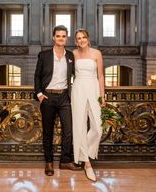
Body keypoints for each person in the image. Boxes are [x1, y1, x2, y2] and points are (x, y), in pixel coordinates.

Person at [34, 25, 82, 176]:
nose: (61, 38)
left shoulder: (70, 56)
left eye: (63, 36)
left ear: (66, 38)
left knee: (68, 130)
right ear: (53, 38)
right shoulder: (44, 55)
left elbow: (77, 74)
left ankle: (65, 161)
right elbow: (37, 76)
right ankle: (49, 163)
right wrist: (40, 94)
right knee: (48, 132)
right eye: (58, 36)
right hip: (48, 97)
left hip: (64, 98)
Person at [71, 29, 106, 182]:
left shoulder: (97, 53)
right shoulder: (73, 54)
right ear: (76, 41)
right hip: (78, 89)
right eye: (78, 38)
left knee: (98, 128)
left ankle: (83, 151)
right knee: (79, 126)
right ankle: (87, 163)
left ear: (88, 38)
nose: (81, 40)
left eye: (83, 37)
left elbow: (100, 75)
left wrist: (102, 95)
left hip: (93, 89)